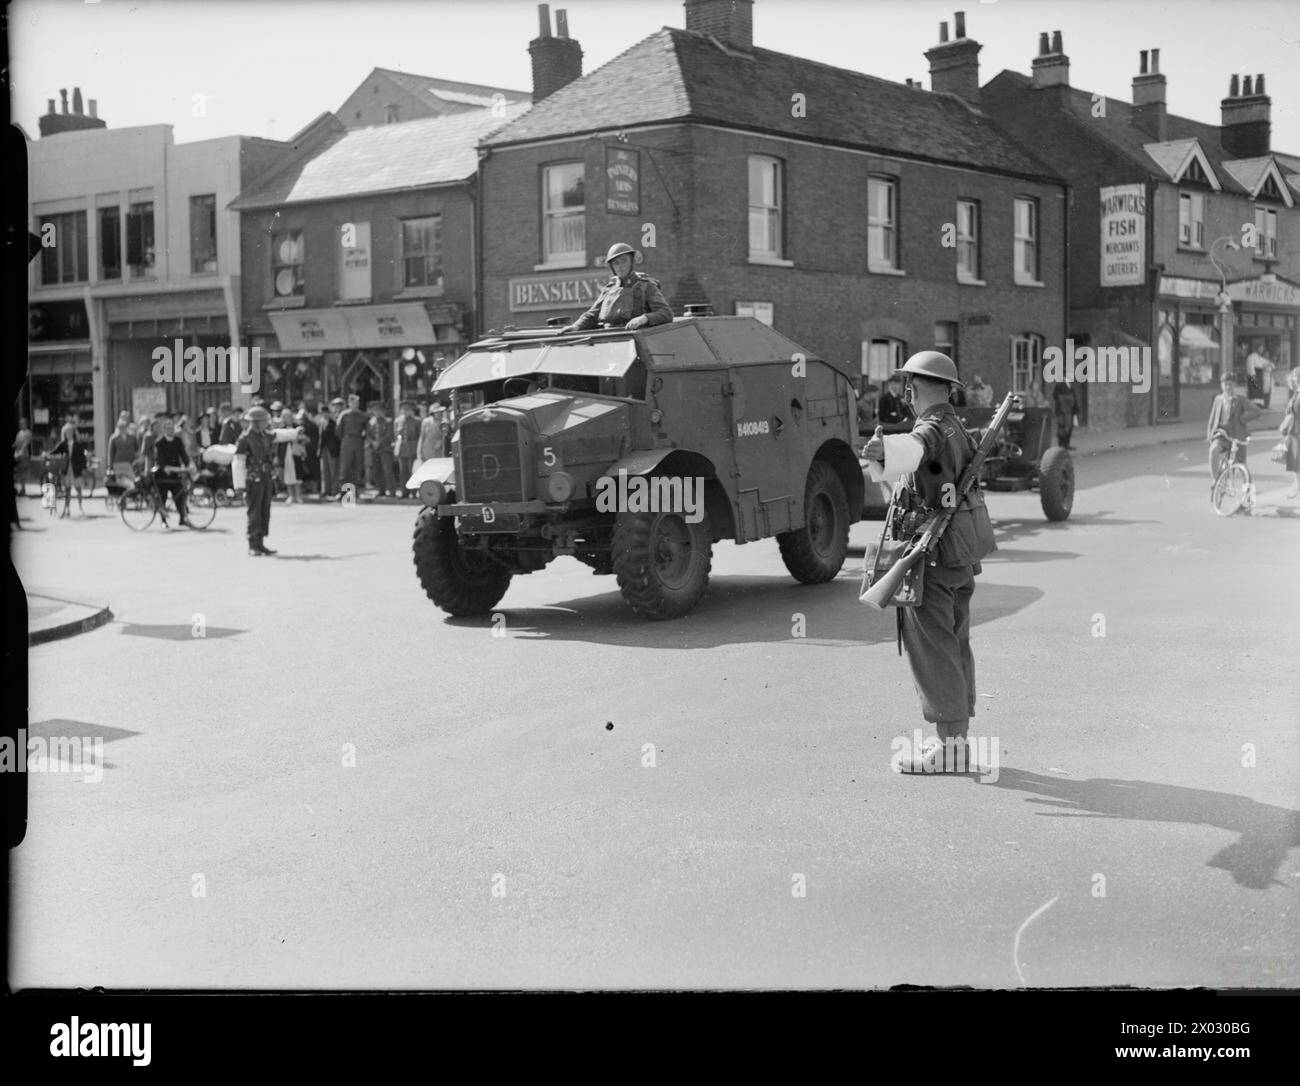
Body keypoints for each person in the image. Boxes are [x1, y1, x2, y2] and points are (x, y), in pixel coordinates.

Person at [862, 351, 997, 773]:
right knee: (954, 646)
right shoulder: (957, 426)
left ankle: (950, 750)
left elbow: (915, 447)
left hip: (932, 557)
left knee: (934, 651)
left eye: (907, 387)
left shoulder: (931, 428)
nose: (905, 393)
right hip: (957, 555)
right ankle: (958, 741)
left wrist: (883, 451)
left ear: (912, 388)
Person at [560, 243, 673, 332]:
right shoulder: (609, 289)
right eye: (616, 263)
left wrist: (644, 318)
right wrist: (576, 326)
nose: (620, 266)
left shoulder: (646, 286)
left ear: (632, 262)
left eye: (624, 261)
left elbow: (666, 313)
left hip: (636, 341)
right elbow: (592, 314)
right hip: (610, 340)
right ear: (612, 267)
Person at [234, 406, 298, 555]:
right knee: (254, 512)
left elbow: (278, 435)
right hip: (253, 479)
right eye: (263, 421)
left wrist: (295, 432)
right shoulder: (244, 438)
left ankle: (260, 543)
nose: (266, 423)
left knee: (264, 511)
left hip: (266, 478)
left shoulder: (265, 435)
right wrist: (239, 485)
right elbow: (238, 461)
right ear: (256, 422)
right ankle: (252, 545)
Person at [1207, 372, 1261, 477]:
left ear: (1235, 385)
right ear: (1221, 385)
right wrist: (1210, 434)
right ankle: (1217, 482)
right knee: (1213, 450)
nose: (1227, 387)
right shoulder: (1218, 399)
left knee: (1241, 465)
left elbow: (1256, 411)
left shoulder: (1240, 400)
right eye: (1225, 384)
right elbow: (1212, 418)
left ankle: (1248, 488)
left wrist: (1242, 419)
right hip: (1222, 435)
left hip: (1237, 436)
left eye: (1230, 384)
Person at [150, 414, 194, 528]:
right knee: (163, 498)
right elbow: (160, 461)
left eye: (172, 428)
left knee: (180, 496)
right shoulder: (160, 443)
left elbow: (183, 455)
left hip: (175, 474)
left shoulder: (178, 441)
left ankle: (182, 518)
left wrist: (188, 465)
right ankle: (164, 521)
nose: (170, 431)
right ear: (164, 430)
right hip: (163, 475)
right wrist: (167, 468)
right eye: (168, 428)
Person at [48, 422, 88, 518]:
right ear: (64, 433)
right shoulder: (63, 444)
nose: (69, 434)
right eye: (67, 432)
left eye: (70, 432)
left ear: (73, 433)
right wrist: (47, 454)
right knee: (67, 490)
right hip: (66, 468)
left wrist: (84, 468)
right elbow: (54, 451)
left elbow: (83, 458)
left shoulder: (78, 444)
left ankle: (80, 507)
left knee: (78, 489)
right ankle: (67, 508)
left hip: (76, 468)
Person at [336, 393, 368, 498]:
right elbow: (338, 430)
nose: (356, 404)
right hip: (347, 441)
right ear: (349, 403)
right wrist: (345, 439)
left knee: (357, 467)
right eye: (353, 402)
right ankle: (344, 492)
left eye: (357, 402)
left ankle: (355, 491)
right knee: (345, 467)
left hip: (358, 441)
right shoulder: (344, 415)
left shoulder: (362, 416)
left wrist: (361, 439)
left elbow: (366, 430)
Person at [277, 407, 305, 504]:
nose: (287, 418)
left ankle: (298, 496)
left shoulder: (298, 427)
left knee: (297, 474)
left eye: (289, 416)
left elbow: (304, 439)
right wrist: (278, 457)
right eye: (285, 416)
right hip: (285, 454)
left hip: (296, 453)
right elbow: (278, 445)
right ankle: (290, 496)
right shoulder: (281, 429)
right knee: (288, 475)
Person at [368, 400, 396, 497]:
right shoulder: (371, 422)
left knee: (387, 470)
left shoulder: (388, 421)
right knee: (377, 471)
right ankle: (381, 490)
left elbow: (390, 434)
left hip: (385, 449)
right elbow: (368, 435)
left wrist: (379, 442)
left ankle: (392, 492)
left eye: (379, 410)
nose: (377, 412)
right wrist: (372, 442)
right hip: (375, 449)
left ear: (383, 411)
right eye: (375, 410)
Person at [393, 400, 420, 497]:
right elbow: (396, 435)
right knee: (403, 471)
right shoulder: (397, 421)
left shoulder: (417, 421)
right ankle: (404, 492)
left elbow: (419, 436)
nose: (405, 411)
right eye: (403, 409)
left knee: (411, 471)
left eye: (407, 409)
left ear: (412, 410)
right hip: (402, 448)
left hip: (412, 447)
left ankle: (413, 492)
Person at [1281, 368, 1300, 499]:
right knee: (1295, 463)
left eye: (1299, 377)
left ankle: (1297, 489)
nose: (1297, 379)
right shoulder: (1296, 393)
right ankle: (1296, 488)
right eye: (1295, 377)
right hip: (1294, 432)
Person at [318, 399, 341, 499]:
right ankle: (326, 490)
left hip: (333, 449)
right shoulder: (321, 423)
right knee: (325, 470)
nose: (325, 414)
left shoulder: (334, 423)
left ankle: (334, 490)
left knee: (334, 470)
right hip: (324, 449)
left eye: (326, 412)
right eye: (323, 413)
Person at [1051, 381, 1077, 449]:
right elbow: (1055, 395)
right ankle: (1061, 445)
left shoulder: (1070, 385)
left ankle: (1067, 444)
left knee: (1069, 427)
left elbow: (1074, 397)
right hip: (1062, 410)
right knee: (1062, 427)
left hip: (1070, 410)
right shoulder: (1059, 384)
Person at [13, 417, 32, 497]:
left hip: (23, 455)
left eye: (23, 423)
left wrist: (21, 451)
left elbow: (26, 443)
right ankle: (21, 488)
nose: (21, 424)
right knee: (19, 472)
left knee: (23, 472)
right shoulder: (19, 433)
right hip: (17, 454)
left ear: (26, 424)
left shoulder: (28, 432)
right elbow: (16, 442)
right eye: (20, 423)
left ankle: (23, 489)